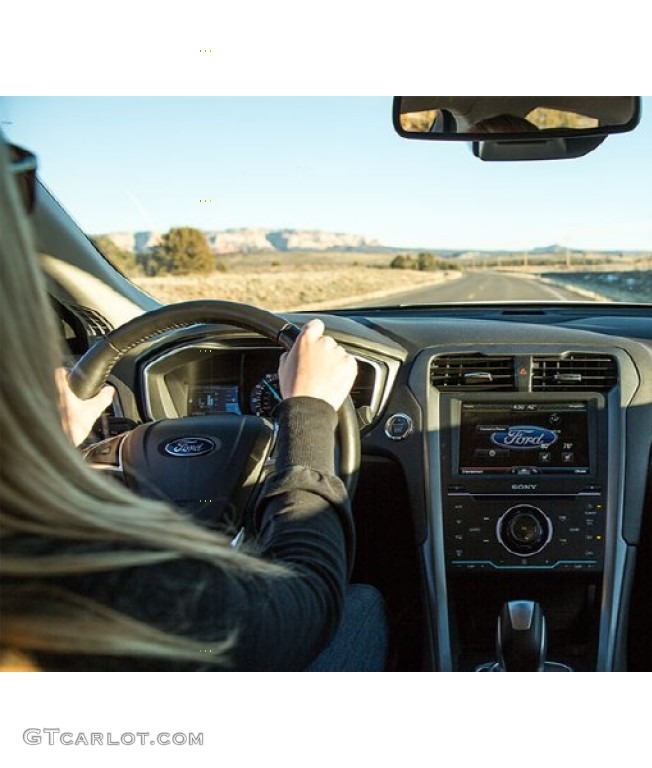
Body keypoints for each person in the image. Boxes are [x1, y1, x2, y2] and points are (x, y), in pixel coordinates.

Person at [0, 135, 388, 671]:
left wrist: (45, 445)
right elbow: (307, 604)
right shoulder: (94, 580)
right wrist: (309, 410)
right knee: (359, 605)